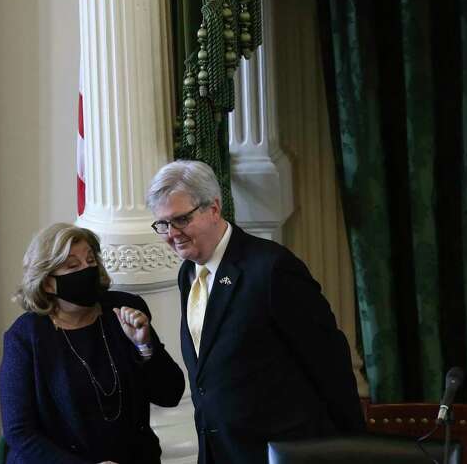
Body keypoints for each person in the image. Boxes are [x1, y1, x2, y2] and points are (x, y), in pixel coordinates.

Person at [146, 160, 364, 463]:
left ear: (214, 208)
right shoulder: (188, 273)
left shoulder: (271, 269)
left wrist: (350, 446)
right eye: (163, 224)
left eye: (181, 220)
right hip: (220, 453)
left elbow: (329, 362)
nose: (172, 234)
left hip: (278, 453)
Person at [0, 223, 185, 464]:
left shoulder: (124, 311)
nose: (86, 270)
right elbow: (20, 433)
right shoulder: (25, 338)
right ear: (47, 283)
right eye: (72, 266)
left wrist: (144, 346)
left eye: (90, 261)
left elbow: (170, 394)